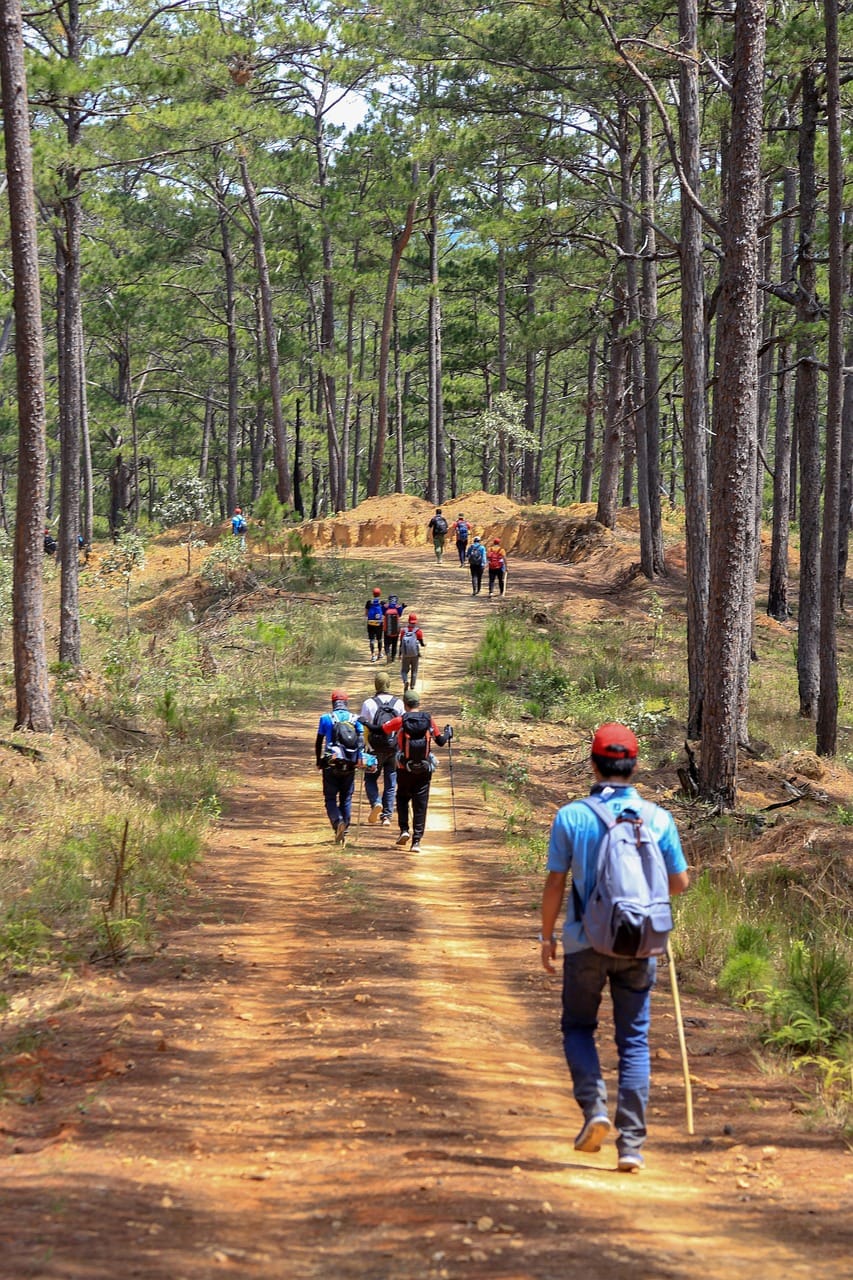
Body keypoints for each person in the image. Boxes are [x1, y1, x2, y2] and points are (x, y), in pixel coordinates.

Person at [540, 723, 689, 1174]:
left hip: (585, 942)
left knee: (579, 1027)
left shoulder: (572, 817)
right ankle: (632, 1146)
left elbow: (554, 883)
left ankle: (594, 1109)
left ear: (593, 763)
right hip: (641, 943)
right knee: (635, 1041)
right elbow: (680, 883)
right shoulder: (658, 819)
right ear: (635, 765)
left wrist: (547, 937)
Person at [382, 689, 452, 853]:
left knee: (402, 798)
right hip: (424, 769)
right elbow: (441, 741)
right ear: (418, 703)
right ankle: (416, 841)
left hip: (403, 768)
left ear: (405, 704)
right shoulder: (428, 720)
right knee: (420, 804)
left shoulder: (401, 720)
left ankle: (404, 830)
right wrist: (448, 732)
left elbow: (384, 729)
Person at [315, 690, 365, 846]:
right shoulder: (355, 719)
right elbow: (361, 741)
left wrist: (319, 760)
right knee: (346, 797)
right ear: (346, 703)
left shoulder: (325, 718)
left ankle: (338, 822)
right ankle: (346, 826)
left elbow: (318, 742)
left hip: (331, 764)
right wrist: (360, 759)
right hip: (349, 764)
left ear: (333, 703)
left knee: (330, 798)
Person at [359, 671, 404, 827]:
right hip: (393, 748)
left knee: (370, 779)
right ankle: (387, 817)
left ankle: (376, 802)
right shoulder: (398, 703)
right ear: (388, 684)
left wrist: (362, 747)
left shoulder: (368, 703)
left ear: (375, 685)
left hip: (373, 748)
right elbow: (403, 726)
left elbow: (363, 727)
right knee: (391, 781)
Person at [399, 613, 426, 691]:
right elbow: (421, 643)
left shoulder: (404, 631)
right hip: (415, 655)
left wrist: (400, 654)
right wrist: (424, 645)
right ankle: (412, 686)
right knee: (414, 671)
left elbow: (401, 644)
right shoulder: (418, 631)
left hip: (406, 654)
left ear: (408, 621)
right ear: (415, 621)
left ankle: (405, 681)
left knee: (404, 671)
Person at [382, 593, 406, 664]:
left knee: (386, 643)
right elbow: (400, 615)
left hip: (387, 629)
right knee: (394, 644)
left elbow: (383, 613)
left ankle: (387, 653)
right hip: (396, 630)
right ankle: (392, 658)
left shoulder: (385, 606)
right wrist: (402, 607)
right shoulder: (398, 607)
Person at [365, 586, 385, 663]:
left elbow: (366, 614)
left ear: (373, 594)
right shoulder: (382, 603)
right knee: (379, 639)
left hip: (370, 623)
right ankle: (380, 653)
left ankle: (373, 655)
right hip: (379, 623)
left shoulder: (369, 603)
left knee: (371, 639)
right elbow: (384, 613)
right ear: (380, 594)